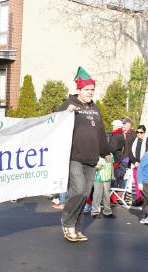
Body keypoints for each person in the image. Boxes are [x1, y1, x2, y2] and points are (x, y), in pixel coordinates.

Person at [57, 66, 111, 242]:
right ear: (78, 89)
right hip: (74, 157)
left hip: (92, 158)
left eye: (92, 90)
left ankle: (77, 227)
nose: (90, 93)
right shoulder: (69, 105)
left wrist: (106, 152)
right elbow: (55, 122)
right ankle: (67, 222)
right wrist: (66, 113)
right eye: (87, 90)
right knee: (78, 190)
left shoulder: (95, 109)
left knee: (84, 195)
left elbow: (101, 132)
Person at [129, 125, 148, 206]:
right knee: (138, 182)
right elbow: (130, 152)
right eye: (137, 132)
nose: (139, 134)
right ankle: (139, 199)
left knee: (144, 183)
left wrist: (142, 163)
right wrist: (135, 162)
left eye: (141, 132)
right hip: (136, 164)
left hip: (144, 165)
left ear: (144, 133)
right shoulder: (133, 140)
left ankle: (145, 198)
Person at [109, 119, 125, 188]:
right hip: (120, 157)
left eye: (113, 126)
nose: (112, 127)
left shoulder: (115, 135)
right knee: (118, 177)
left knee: (114, 177)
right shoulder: (121, 135)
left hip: (115, 158)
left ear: (117, 126)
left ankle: (113, 196)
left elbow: (112, 148)